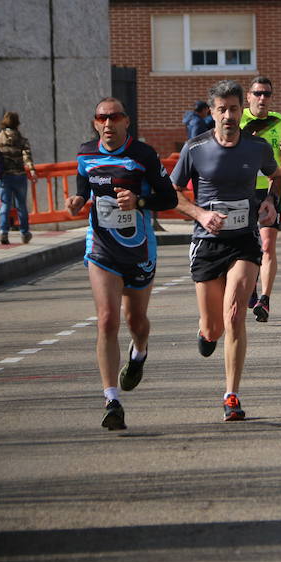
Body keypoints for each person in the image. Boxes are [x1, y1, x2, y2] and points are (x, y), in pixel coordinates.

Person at [170, 80, 281, 422]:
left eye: (234, 108)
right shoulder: (195, 148)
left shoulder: (257, 147)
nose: (229, 115)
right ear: (213, 113)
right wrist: (201, 214)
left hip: (243, 240)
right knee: (214, 328)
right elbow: (173, 192)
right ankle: (206, 332)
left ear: (241, 109)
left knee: (235, 312)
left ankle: (231, 394)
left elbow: (277, 177)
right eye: (222, 109)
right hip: (207, 243)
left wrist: (270, 202)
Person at [67, 97, 178, 430]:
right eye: (102, 118)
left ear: (126, 121)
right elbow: (84, 188)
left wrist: (140, 200)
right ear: (95, 123)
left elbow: (170, 198)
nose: (108, 123)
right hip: (102, 247)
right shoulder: (86, 153)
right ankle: (112, 399)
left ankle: (139, 353)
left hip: (139, 248)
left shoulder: (142, 155)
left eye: (114, 117)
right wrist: (77, 201)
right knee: (106, 320)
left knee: (137, 321)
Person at [240, 75, 281, 322]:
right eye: (258, 93)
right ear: (248, 96)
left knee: (268, 245)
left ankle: (265, 299)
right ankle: (250, 287)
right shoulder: (238, 120)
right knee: (248, 245)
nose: (262, 98)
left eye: (267, 94)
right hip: (243, 189)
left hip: (272, 187)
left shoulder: (278, 120)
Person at [0, 111, 37, 245]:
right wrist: (32, 170)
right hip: (19, 176)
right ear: (17, 123)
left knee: (4, 204)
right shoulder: (22, 140)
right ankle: (24, 233)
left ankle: (3, 232)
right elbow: (27, 156)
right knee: (21, 205)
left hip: (4, 177)